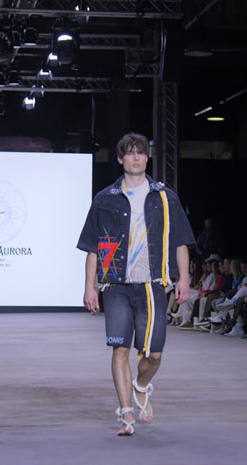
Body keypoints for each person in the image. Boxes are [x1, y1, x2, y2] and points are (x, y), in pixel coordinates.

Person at [77, 132, 195, 436]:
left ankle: (141, 386)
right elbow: (93, 246)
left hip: (151, 284)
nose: (136, 157)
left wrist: (184, 278)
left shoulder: (165, 197)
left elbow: (180, 241)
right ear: (120, 159)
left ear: (147, 157)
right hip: (116, 284)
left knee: (154, 355)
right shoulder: (105, 199)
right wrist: (90, 286)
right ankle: (126, 413)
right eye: (129, 153)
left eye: (140, 152)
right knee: (120, 349)